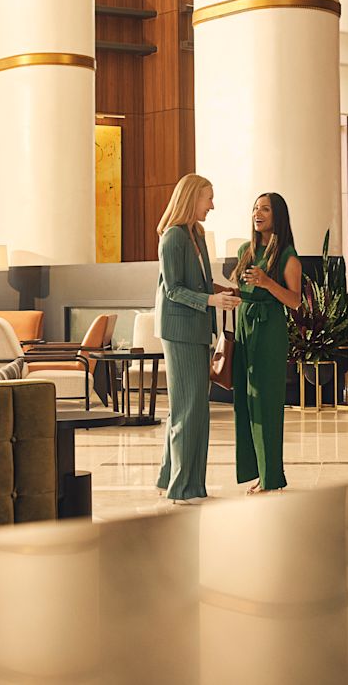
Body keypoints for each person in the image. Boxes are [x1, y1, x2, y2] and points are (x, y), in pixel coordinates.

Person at [155, 173, 239, 504]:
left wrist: (225, 292)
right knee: (189, 409)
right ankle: (182, 487)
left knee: (190, 409)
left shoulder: (197, 234)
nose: (212, 205)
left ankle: (172, 480)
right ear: (192, 199)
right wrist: (211, 301)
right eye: (209, 198)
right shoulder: (172, 238)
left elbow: (201, 285)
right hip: (179, 332)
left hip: (198, 329)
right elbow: (173, 289)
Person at [232, 192, 302, 495]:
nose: (257, 213)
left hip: (269, 330)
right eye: (255, 208)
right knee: (245, 403)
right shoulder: (245, 250)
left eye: (265, 209)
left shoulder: (287, 255)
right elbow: (241, 289)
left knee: (267, 403)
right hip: (244, 327)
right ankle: (255, 470)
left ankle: (271, 476)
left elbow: (295, 301)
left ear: (278, 216)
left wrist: (267, 282)